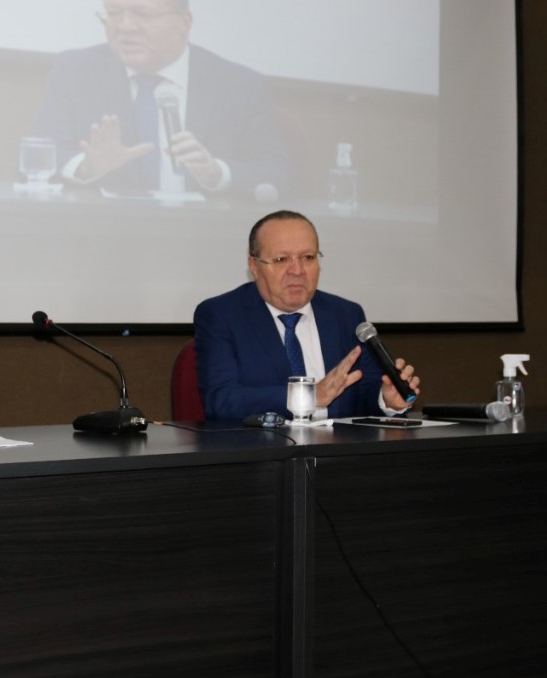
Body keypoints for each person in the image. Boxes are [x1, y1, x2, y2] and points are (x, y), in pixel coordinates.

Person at [29, 0, 294, 198]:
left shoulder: (239, 85)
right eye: (114, 13)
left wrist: (216, 173)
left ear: (185, 23)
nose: (125, 27)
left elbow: (277, 173)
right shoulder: (75, 71)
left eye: (143, 14)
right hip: (104, 235)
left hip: (205, 237)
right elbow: (35, 157)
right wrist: (87, 167)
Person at [194, 210, 420, 421]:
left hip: (339, 447)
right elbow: (222, 401)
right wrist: (308, 397)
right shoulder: (222, 315)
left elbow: (362, 394)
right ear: (254, 266)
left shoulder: (346, 315)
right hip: (264, 448)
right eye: (281, 259)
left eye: (308, 257)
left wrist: (386, 399)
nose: (298, 270)